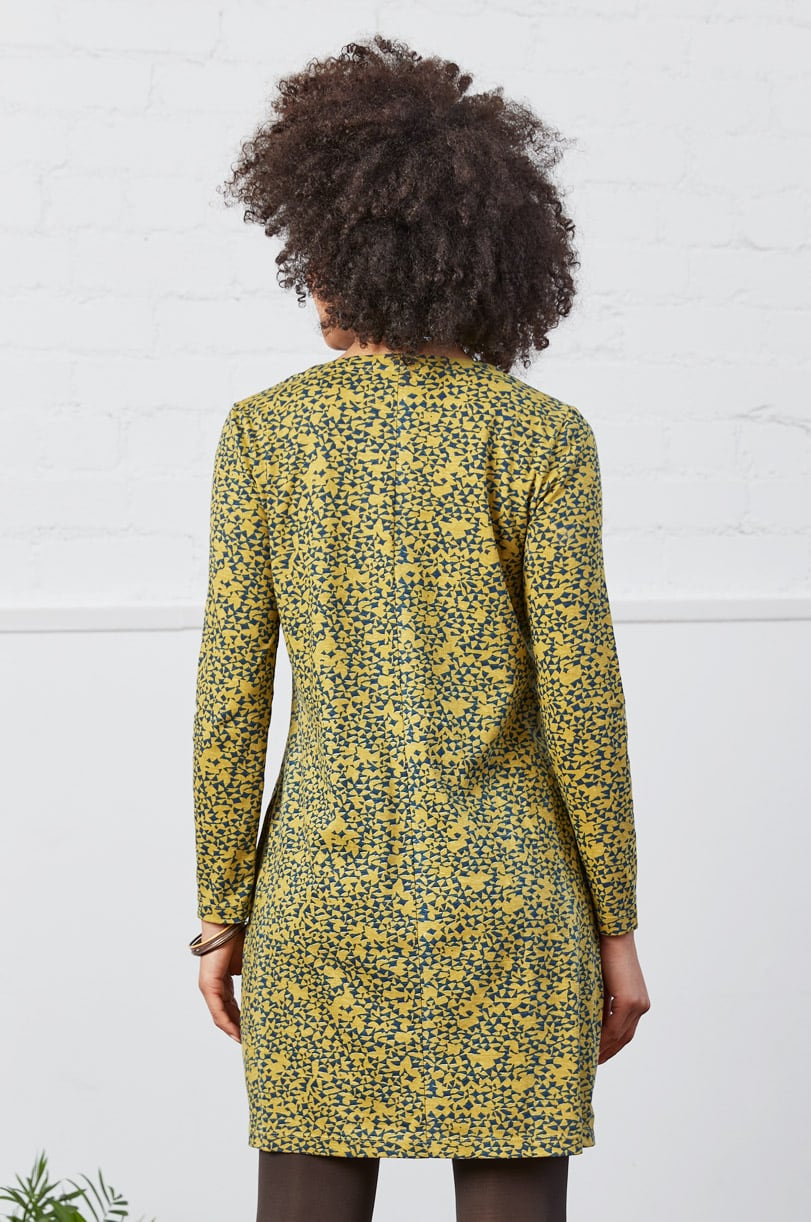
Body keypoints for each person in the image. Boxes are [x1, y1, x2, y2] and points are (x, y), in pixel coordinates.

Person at [190, 34, 650, 1222]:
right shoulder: (541, 438)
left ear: (335, 248)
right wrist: (616, 930)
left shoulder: (267, 434)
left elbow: (231, 698)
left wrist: (221, 908)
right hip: (512, 905)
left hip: (319, 901)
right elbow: (584, 705)